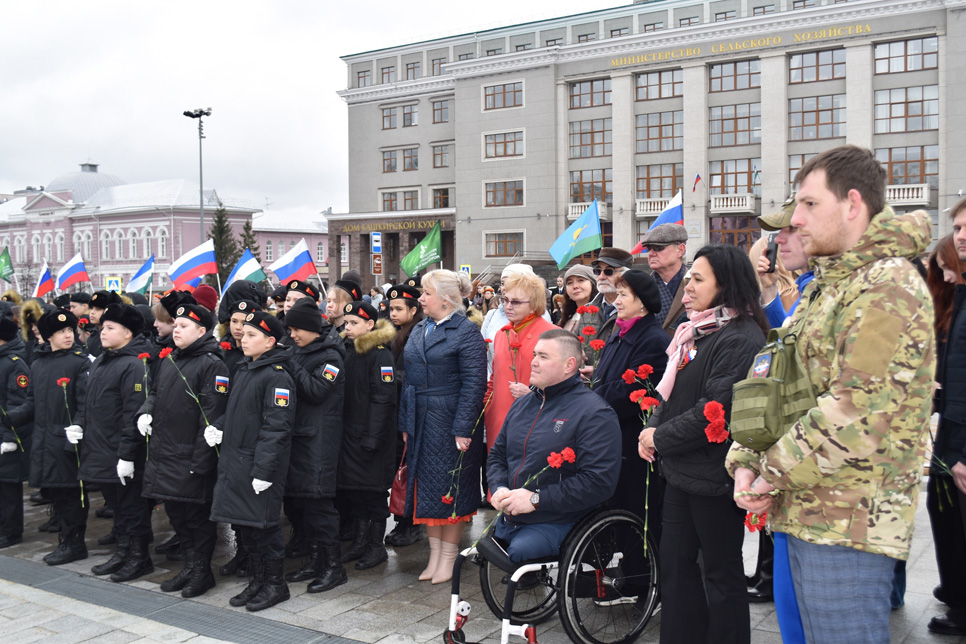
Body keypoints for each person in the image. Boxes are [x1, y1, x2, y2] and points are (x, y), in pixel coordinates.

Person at [727, 145, 935, 644]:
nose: (796, 219)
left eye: (809, 205)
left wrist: (769, 472)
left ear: (853, 205)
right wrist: (747, 456)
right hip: (806, 503)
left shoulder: (887, 285)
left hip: (849, 518)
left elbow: (856, 412)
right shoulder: (830, 284)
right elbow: (781, 382)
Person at [638, 244, 768, 644]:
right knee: (676, 569)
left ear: (725, 285)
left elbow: (715, 409)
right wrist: (654, 427)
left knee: (719, 572)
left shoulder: (742, 337)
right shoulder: (698, 329)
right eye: (689, 278)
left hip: (714, 475)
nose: (687, 288)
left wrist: (659, 436)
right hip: (680, 472)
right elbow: (671, 390)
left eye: (697, 279)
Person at [488, 329, 620, 562]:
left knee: (517, 554)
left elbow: (598, 482)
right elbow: (498, 454)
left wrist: (535, 500)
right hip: (514, 516)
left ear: (569, 365)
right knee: (480, 552)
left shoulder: (594, 413)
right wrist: (499, 487)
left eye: (543, 357)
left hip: (561, 518)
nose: (534, 362)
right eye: (535, 354)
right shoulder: (523, 404)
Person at [399, 269, 486, 585]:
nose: (420, 298)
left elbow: (475, 384)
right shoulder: (421, 327)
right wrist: (406, 422)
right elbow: (408, 379)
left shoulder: (466, 332)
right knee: (428, 491)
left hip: (450, 422)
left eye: (426, 293)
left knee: (451, 489)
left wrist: (463, 427)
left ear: (447, 299)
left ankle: (448, 558)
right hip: (422, 419)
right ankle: (434, 555)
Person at [206, 311, 295, 612]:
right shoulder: (246, 369)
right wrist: (218, 425)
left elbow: (276, 427)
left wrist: (265, 470)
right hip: (237, 461)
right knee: (246, 527)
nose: (243, 339)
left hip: (259, 465)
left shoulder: (277, 376)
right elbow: (235, 410)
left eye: (252, 334)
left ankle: (275, 584)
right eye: (243, 333)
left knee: (265, 528)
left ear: (271, 341)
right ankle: (257, 580)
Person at [138, 303, 228, 598]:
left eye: (183, 326)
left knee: (197, 520)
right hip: (166, 453)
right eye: (175, 325)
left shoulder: (212, 363)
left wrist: (200, 463)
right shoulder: (170, 359)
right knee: (177, 514)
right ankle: (190, 566)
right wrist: (146, 412)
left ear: (202, 331)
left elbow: (212, 417)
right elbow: (154, 393)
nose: (176, 330)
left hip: (191, 456)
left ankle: (202, 571)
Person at [72, 304, 156, 583]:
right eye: (103, 327)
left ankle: (139, 557)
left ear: (128, 333)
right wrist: (79, 425)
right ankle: (123, 551)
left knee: (132, 508)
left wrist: (128, 454)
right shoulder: (102, 361)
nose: (103, 332)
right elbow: (88, 404)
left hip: (121, 451)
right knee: (118, 508)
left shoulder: (133, 365)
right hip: (100, 448)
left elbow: (134, 413)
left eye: (110, 328)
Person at [6, 310, 90, 563]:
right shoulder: (38, 364)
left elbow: (84, 404)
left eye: (70, 331)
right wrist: (11, 417)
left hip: (67, 441)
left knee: (71, 495)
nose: (68, 336)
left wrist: (75, 432)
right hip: (44, 442)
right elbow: (32, 402)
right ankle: (65, 539)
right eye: (61, 332)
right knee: (55, 494)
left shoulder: (80, 362)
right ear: (47, 336)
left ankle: (74, 543)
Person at [591, 270, 669, 526]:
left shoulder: (653, 340)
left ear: (643, 304)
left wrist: (587, 398)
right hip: (611, 437)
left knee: (635, 514)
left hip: (632, 443)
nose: (617, 300)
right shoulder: (621, 331)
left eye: (624, 295)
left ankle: (642, 567)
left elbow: (630, 392)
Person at [281, 298, 348, 592]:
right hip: (300, 439)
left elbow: (316, 391)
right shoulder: (301, 352)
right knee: (305, 506)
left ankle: (334, 567)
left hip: (319, 441)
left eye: (297, 329)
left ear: (311, 329)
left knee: (320, 506)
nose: (292, 335)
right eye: (290, 329)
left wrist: (292, 362)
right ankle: (316, 559)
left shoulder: (330, 358)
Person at [925, 209, 966, 635]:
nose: (961, 236)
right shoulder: (955, 302)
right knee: (944, 517)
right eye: (957, 229)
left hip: (959, 436)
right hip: (950, 428)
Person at [337, 301, 397, 570]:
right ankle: (360, 541)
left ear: (370, 325)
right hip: (350, 435)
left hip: (372, 438)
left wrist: (372, 436)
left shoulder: (380, 354)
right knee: (355, 491)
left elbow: (383, 399)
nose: (347, 328)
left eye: (353, 323)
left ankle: (376, 545)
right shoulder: (349, 351)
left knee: (373, 493)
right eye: (346, 323)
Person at [484, 272, 556, 454]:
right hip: (498, 423)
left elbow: (565, 386)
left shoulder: (553, 335)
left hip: (535, 423)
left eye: (515, 302)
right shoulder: (502, 334)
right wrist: (487, 411)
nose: (508, 306)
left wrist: (534, 393)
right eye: (505, 299)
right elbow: (494, 379)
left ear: (534, 305)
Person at [384, 284, 424, 548]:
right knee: (400, 469)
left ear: (413, 310)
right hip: (396, 410)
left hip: (411, 412)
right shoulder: (395, 335)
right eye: (391, 309)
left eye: (399, 309)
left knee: (410, 470)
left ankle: (411, 522)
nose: (393, 313)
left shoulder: (417, 336)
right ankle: (402, 519)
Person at [0, 315, 32, 548]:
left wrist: (10, 437)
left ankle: (11, 531)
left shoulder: (14, 363)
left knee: (8, 485)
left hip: (8, 434)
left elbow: (18, 404)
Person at [638, 223, 689, 333]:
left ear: (680, 250)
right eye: (648, 248)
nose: (651, 253)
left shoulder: (698, 286)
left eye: (658, 248)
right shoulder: (639, 288)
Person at [590, 247, 633, 346]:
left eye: (608, 271)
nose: (601, 277)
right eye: (597, 271)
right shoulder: (588, 309)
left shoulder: (634, 311)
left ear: (625, 275)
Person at [558, 264, 598, 336]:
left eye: (580, 280)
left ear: (592, 284)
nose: (575, 286)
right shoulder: (567, 317)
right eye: (570, 283)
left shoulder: (600, 315)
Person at [85, 290, 122, 358]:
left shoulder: (112, 335)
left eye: (98, 309)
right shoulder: (93, 333)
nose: (92, 312)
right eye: (92, 308)